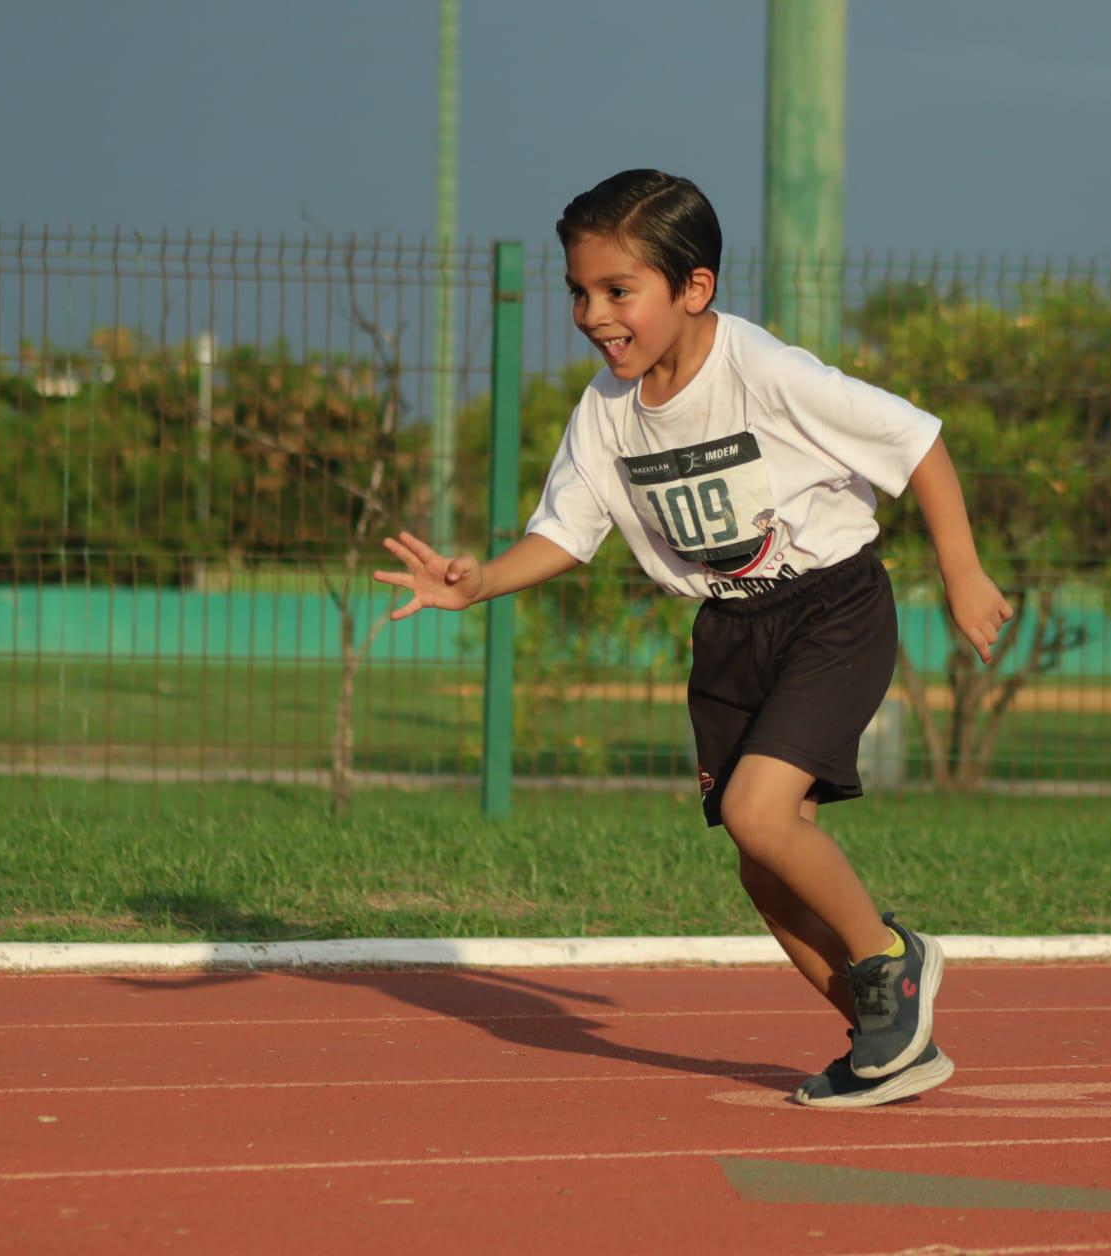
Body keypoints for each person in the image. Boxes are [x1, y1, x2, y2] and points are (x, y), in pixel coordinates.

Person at [375, 169, 1013, 1109]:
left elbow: (914, 439)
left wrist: (963, 572)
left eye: (618, 290)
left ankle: (892, 957)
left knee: (762, 813)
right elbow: (567, 530)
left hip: (832, 607)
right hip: (730, 630)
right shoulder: (606, 413)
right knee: (761, 865)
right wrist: (478, 586)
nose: (594, 313)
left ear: (693, 289)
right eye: (579, 292)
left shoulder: (762, 370)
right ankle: (887, 1039)